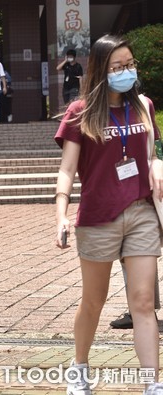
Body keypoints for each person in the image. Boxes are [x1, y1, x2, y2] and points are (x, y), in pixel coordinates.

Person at [54, 34, 163, 394]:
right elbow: (67, 169)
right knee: (93, 302)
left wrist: (158, 161)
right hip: (98, 216)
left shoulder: (144, 106)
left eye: (129, 65)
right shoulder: (81, 112)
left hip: (142, 212)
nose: (125, 72)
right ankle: (79, 366)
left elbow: (152, 152)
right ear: (101, 70)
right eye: (117, 67)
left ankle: (152, 384)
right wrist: (61, 214)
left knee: (144, 302)